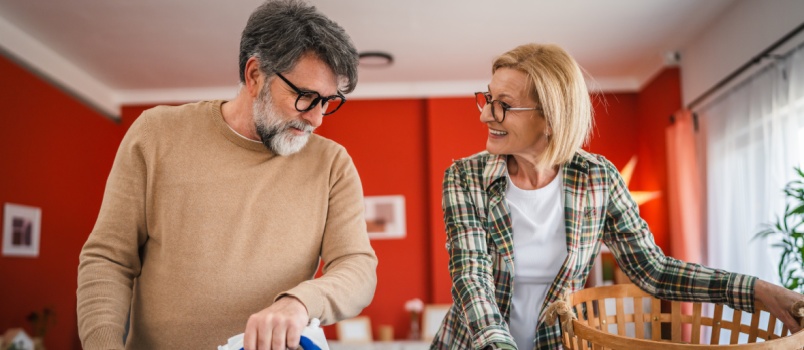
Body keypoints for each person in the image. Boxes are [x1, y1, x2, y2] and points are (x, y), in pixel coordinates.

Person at [430, 43, 804, 350]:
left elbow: (653, 270)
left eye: (504, 105)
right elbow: (472, 279)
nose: (485, 116)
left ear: (550, 118)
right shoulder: (466, 177)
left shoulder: (598, 177)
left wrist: (759, 290)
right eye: (487, 98)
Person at [76, 1, 377, 349]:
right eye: (305, 97)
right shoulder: (156, 134)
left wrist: (300, 302)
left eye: (327, 101)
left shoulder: (332, 165)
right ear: (254, 75)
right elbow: (108, 259)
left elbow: (358, 268)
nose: (316, 119)